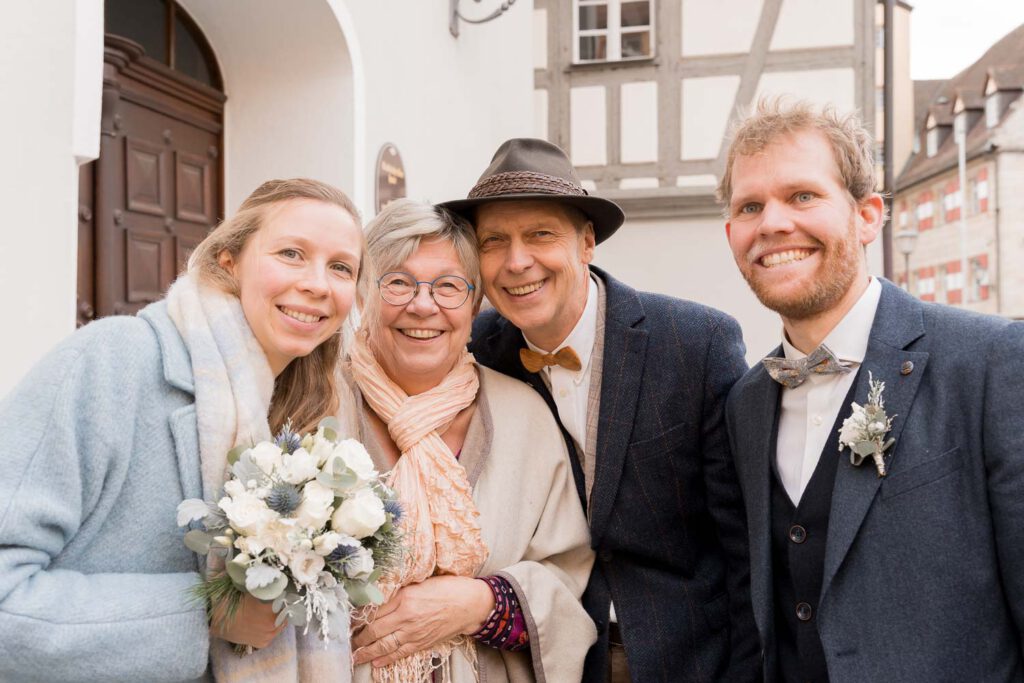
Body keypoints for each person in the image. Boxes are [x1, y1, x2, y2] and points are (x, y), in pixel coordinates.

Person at [0, 178, 364, 683]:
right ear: (228, 260)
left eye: (341, 267)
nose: (319, 284)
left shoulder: (304, 416)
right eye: (291, 253)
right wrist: (205, 615)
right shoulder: (113, 361)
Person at [719, 98, 1024, 682]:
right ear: (732, 233)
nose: (773, 223)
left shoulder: (989, 362)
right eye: (750, 206)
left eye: (802, 196)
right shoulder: (745, 402)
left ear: (868, 216)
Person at [440, 138, 761, 682]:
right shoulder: (473, 351)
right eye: (495, 241)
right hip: (546, 658)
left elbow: (743, 544)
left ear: (587, 242)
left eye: (540, 234)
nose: (518, 261)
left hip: (688, 660)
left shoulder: (696, 343)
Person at [344, 199, 595, 682]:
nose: (423, 305)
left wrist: (482, 603)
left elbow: (567, 575)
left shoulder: (524, 416)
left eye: (448, 286)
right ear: (361, 295)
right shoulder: (314, 404)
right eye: (397, 282)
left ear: (475, 304)